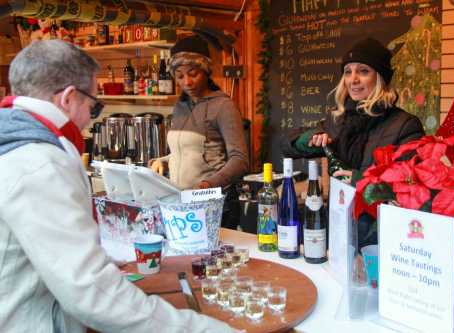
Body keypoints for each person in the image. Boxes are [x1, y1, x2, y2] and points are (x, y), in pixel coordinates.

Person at [0, 40, 236, 333]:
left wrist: (101, 260)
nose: (89, 119)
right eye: (94, 106)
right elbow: (92, 294)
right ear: (69, 98)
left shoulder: (14, 141)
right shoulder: (39, 163)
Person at [281, 37, 425, 246]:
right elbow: (286, 145)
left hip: (381, 234)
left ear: (380, 77)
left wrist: (359, 181)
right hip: (339, 228)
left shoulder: (405, 125)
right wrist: (308, 139)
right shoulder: (337, 120)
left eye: (363, 71)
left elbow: (412, 185)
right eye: (348, 72)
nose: (353, 79)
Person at [150, 35, 249, 229]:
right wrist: (161, 161)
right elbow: (185, 151)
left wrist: (208, 184)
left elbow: (240, 159)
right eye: (179, 76)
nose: (187, 82)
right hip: (182, 202)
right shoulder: (180, 107)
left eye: (193, 73)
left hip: (214, 204)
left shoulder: (223, 106)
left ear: (206, 71)